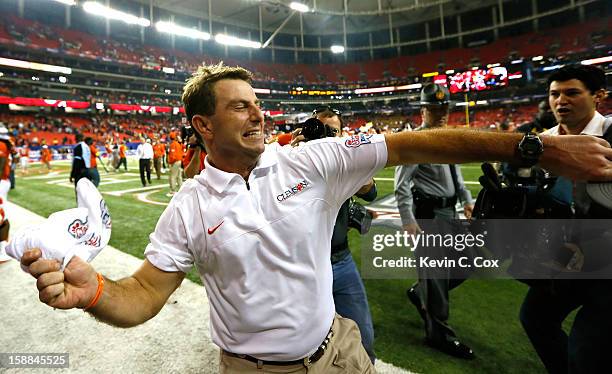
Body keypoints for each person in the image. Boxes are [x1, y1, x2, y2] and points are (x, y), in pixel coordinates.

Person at [20, 63, 612, 373]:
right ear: (203, 126)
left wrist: (533, 147)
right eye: (239, 108)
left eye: (257, 104)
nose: (258, 115)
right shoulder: (189, 206)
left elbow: (416, 144)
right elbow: (144, 293)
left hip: (338, 355)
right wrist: (95, 290)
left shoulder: (314, 160)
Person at [518, 64, 612, 374]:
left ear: (598, 96)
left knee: (587, 348)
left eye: (572, 93)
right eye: (555, 94)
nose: (561, 101)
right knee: (535, 317)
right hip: (568, 256)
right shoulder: (543, 142)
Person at [394, 83, 476, 359]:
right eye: (435, 108)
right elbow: (401, 185)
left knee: (467, 261)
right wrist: (407, 220)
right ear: (423, 110)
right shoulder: (416, 141)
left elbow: (456, 173)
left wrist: (466, 199)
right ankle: (438, 334)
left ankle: (421, 292)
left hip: (449, 212)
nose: (441, 113)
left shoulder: (445, 136)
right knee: (437, 275)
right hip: (428, 216)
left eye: (444, 108)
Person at [291, 106, 378, 363]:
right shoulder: (295, 160)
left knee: (364, 337)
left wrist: (344, 160)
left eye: (333, 132)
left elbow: (370, 191)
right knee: (305, 345)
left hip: (341, 261)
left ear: (341, 134)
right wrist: (296, 153)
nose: (327, 137)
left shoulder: (347, 160)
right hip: (304, 266)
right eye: (321, 130)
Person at [0, 126, 13, 263]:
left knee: (1, 215)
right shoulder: (6, 144)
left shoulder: (1, 145)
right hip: (3, 181)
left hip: (1, 181)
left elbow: (1, 163)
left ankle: (2, 249)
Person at [167, 132, 183, 196]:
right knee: (179, 176)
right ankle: (181, 189)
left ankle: (172, 191)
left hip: (175, 162)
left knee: (172, 176)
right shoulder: (178, 144)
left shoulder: (173, 144)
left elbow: (173, 155)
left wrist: (170, 163)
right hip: (179, 161)